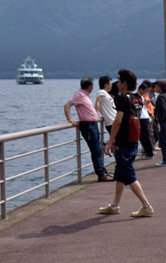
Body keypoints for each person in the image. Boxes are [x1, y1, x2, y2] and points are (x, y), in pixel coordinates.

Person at [98, 69, 154, 217]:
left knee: (128, 174)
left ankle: (146, 205)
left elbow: (117, 121)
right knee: (121, 173)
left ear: (123, 83)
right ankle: (115, 205)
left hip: (123, 142)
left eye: (119, 81)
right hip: (133, 140)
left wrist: (110, 142)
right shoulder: (138, 98)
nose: (118, 83)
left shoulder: (122, 98)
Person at [64, 77, 113, 182]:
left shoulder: (85, 95)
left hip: (93, 124)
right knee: (95, 150)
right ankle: (101, 174)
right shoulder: (80, 95)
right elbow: (67, 105)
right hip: (88, 126)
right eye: (92, 85)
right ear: (90, 86)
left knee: (98, 149)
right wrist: (70, 119)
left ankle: (103, 171)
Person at [136, 81, 155, 160]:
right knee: (144, 137)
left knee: (145, 137)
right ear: (140, 89)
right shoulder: (140, 96)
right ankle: (149, 153)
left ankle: (149, 153)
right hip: (144, 117)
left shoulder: (139, 96)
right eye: (145, 91)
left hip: (143, 118)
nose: (145, 93)